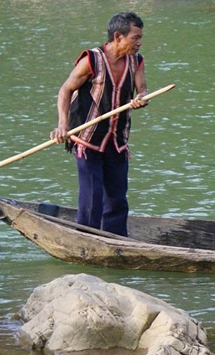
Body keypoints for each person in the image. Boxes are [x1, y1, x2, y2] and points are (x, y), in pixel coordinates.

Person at [51, 12, 148, 235]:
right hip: (88, 139)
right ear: (118, 36)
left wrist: (141, 99)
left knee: (117, 198)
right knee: (92, 198)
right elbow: (66, 90)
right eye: (135, 37)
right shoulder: (92, 60)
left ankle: (116, 240)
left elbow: (142, 90)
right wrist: (62, 125)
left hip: (117, 140)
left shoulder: (137, 61)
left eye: (140, 37)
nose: (139, 42)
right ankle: (87, 240)